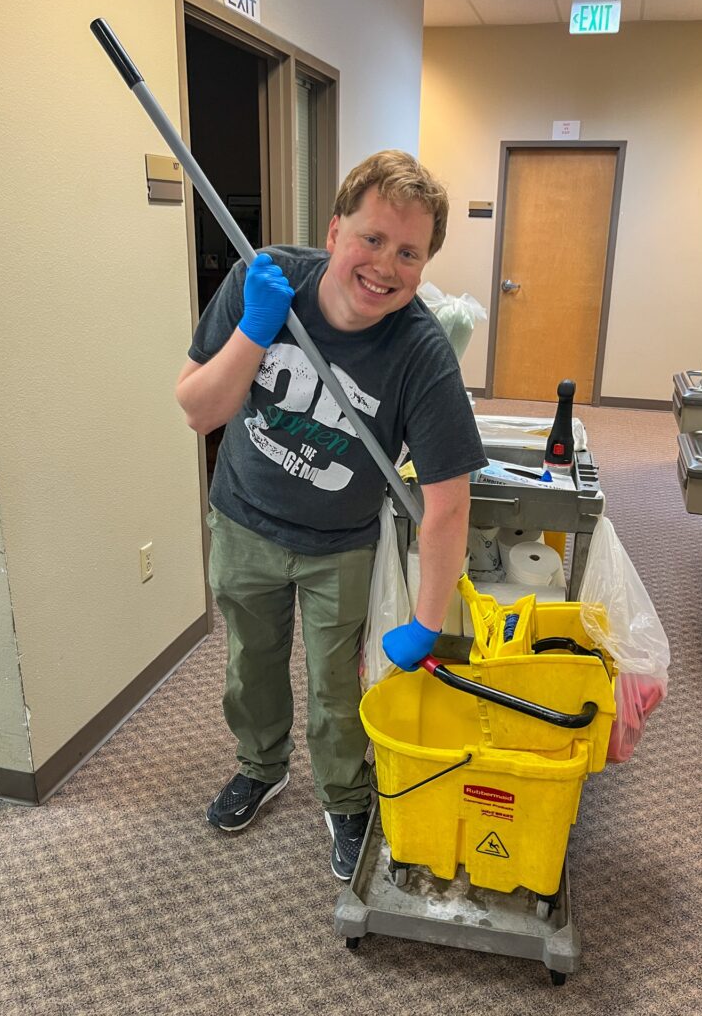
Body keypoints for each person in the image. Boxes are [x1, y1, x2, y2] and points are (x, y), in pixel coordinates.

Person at [176, 149, 486, 880]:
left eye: (408, 253)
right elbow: (198, 411)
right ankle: (261, 766)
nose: (384, 265)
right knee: (249, 666)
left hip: (340, 545)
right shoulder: (265, 281)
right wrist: (255, 329)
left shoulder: (420, 352)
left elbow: (447, 504)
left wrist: (428, 621)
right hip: (244, 516)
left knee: (337, 687)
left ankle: (345, 797)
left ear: (424, 264)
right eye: (371, 239)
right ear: (336, 227)